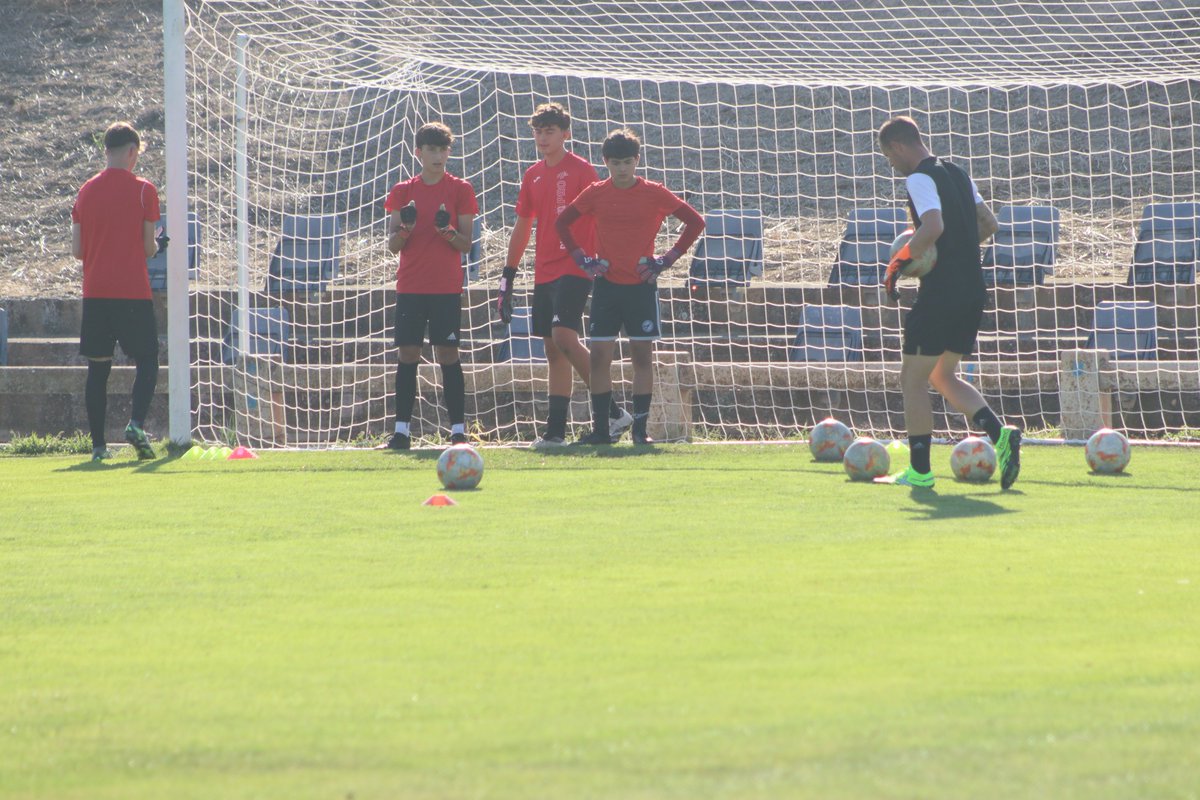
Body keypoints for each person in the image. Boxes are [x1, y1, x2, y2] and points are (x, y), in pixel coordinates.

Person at [874, 115, 1021, 489]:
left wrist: (899, 263)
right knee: (942, 375)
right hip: (973, 290)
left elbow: (934, 226)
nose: (891, 164)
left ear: (898, 146)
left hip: (940, 294)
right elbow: (989, 224)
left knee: (912, 379)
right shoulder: (958, 173)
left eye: (889, 157)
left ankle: (920, 473)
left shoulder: (919, 178)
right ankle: (1001, 435)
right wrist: (951, 250)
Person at [555, 128, 705, 445]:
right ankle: (602, 430)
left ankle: (639, 430)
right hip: (607, 287)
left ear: (636, 160)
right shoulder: (596, 192)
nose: (621, 169)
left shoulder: (654, 193)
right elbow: (562, 223)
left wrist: (667, 259)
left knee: (641, 358)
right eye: (615, 163)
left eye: (627, 162)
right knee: (599, 358)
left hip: (641, 287)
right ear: (605, 162)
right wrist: (583, 259)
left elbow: (695, 222)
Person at [496, 102, 632, 448]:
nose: (543, 137)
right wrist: (508, 275)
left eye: (550, 131)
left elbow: (602, 214)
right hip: (544, 270)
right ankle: (555, 433)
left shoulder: (582, 171)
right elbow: (523, 225)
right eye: (538, 131)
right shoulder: (532, 174)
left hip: (575, 266)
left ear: (565, 134)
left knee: (564, 337)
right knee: (552, 349)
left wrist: (606, 258)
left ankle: (613, 413)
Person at [71, 121, 167, 462]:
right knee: (148, 360)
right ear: (131, 151)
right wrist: (159, 245)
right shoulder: (144, 190)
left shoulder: (85, 191)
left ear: (106, 151)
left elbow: (77, 251)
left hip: (95, 293)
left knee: (98, 370)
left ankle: (98, 448)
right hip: (131, 293)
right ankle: (136, 424)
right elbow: (148, 248)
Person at [382, 122, 478, 450]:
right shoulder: (402, 190)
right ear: (418, 153)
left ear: (449, 152)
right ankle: (401, 432)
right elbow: (393, 245)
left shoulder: (461, 189)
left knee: (448, 353)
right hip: (411, 286)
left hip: (446, 287)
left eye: (443, 149)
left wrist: (446, 231)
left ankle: (458, 432)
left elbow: (465, 244)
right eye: (431, 150)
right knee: (408, 353)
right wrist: (406, 228)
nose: (438, 156)